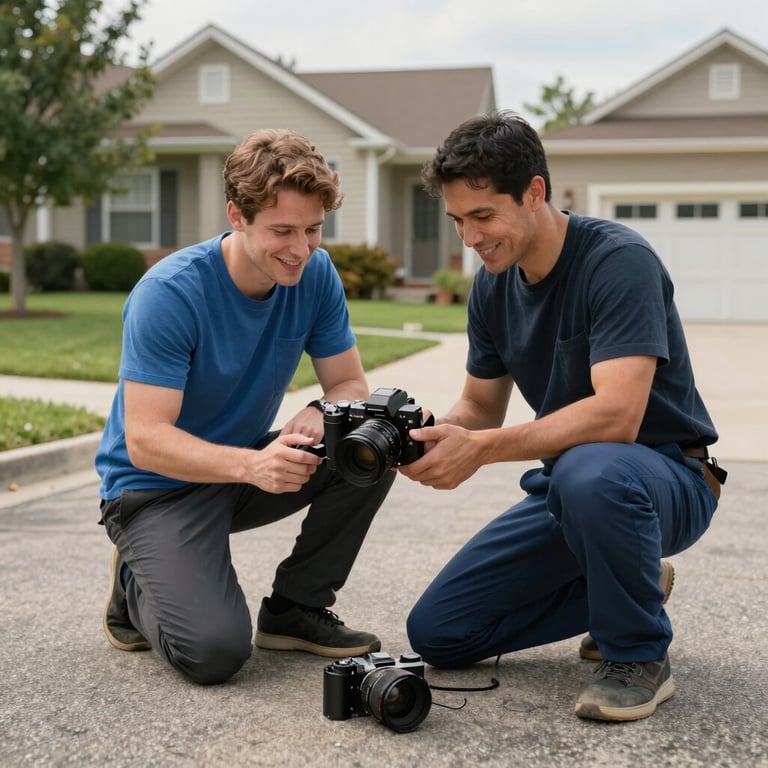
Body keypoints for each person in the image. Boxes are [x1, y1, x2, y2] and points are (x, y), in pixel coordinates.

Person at [399, 111, 726, 721]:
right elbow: (480, 406)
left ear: (534, 192)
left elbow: (617, 417)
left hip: (666, 480)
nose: (469, 238)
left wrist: (484, 450)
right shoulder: (492, 284)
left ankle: (637, 654)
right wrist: (428, 436)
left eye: (483, 216)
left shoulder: (618, 261)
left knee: (590, 468)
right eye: (458, 220)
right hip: (571, 492)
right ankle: (635, 583)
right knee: (440, 633)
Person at [97, 128, 394, 685]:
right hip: (153, 490)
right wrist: (253, 465)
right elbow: (145, 440)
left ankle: (296, 608)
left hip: (242, 471)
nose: (300, 248)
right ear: (237, 215)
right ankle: (134, 584)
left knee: (371, 441)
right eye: (282, 231)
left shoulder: (315, 274)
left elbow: (350, 382)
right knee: (215, 654)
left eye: (313, 229)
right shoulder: (170, 293)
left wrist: (322, 408)